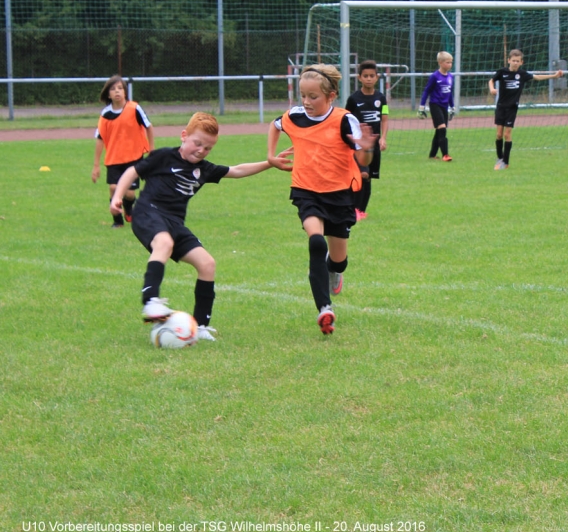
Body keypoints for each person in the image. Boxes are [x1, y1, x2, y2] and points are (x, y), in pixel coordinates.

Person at [111, 112, 286, 340]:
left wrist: (270, 163)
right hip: (148, 212)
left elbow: (236, 170)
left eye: (208, 148)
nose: (201, 150)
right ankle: (150, 301)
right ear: (184, 136)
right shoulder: (164, 157)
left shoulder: (203, 169)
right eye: (198, 143)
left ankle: (201, 326)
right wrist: (118, 196)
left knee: (207, 264)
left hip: (174, 222)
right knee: (164, 243)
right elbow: (132, 171)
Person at [267, 64, 375, 335]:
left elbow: (363, 158)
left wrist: (366, 149)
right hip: (306, 191)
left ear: (331, 96)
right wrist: (271, 156)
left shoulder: (344, 120)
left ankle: (334, 270)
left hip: (339, 194)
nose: (306, 101)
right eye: (303, 95)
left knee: (339, 261)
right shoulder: (295, 116)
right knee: (316, 241)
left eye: (313, 96)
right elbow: (275, 125)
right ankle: (324, 309)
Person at [91, 75, 154, 227]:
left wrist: (151, 150)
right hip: (114, 158)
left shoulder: (134, 108)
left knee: (129, 193)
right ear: (108, 94)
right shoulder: (105, 114)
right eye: (113, 89)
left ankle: (128, 208)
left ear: (125, 92)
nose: (117, 91)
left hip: (134, 157)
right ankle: (117, 221)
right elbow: (100, 138)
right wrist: (96, 165)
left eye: (120, 88)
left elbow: (149, 127)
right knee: (113, 188)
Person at [488, 49, 563, 170]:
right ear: (509, 60)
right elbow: (491, 80)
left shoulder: (522, 74)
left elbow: (537, 77)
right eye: (513, 61)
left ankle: (505, 162)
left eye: (518, 61)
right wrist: (492, 89)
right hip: (501, 107)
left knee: (507, 134)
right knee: (499, 134)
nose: (515, 63)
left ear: (521, 62)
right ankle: (499, 158)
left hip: (512, 108)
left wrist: (554, 76)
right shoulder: (502, 72)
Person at [345, 60, 389, 221]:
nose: (369, 79)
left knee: (369, 177)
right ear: (359, 78)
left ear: (377, 77)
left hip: (374, 144)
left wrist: (383, 138)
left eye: (372, 76)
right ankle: (355, 209)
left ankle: (361, 210)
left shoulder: (381, 98)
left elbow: (384, 118)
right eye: (365, 76)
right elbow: (346, 119)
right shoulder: (353, 99)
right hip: (359, 145)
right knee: (362, 174)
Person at [418, 51, 455, 161]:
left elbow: (449, 93)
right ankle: (445, 155)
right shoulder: (435, 76)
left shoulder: (450, 77)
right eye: (447, 62)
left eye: (451, 62)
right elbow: (426, 91)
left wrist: (452, 107)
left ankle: (432, 155)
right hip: (435, 105)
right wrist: (421, 107)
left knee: (439, 131)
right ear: (440, 63)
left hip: (444, 106)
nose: (450, 64)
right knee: (442, 129)